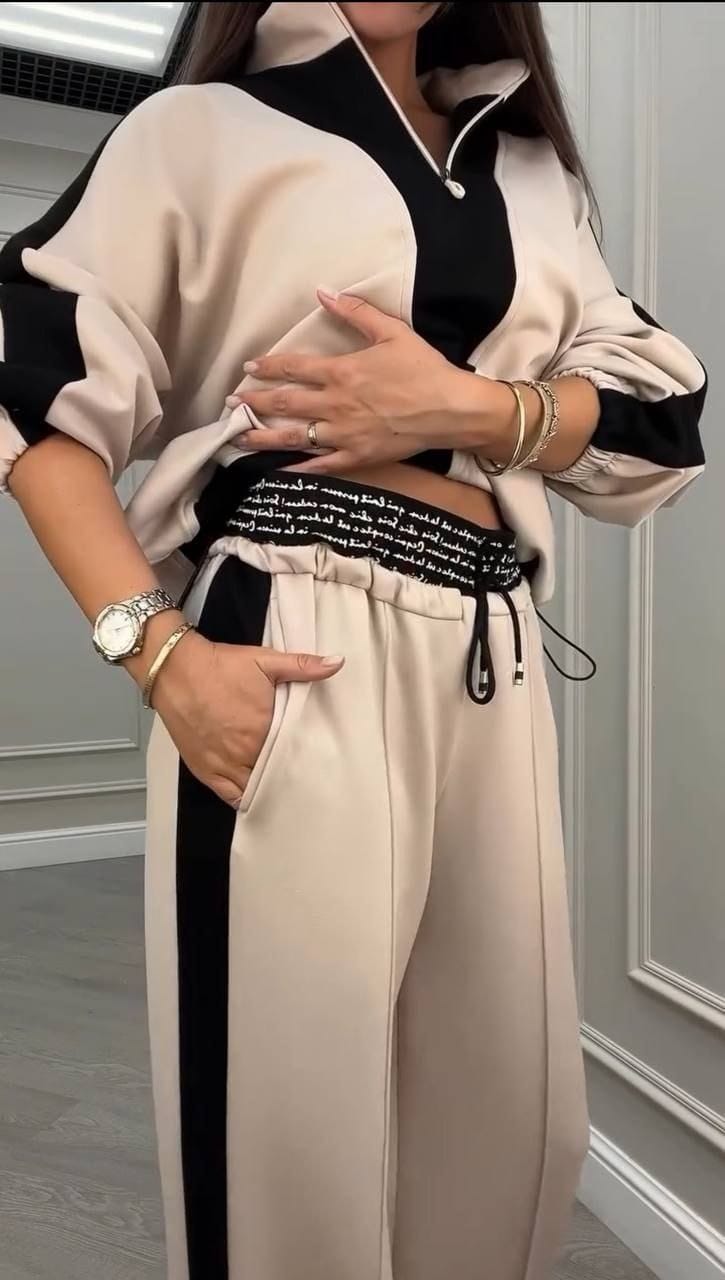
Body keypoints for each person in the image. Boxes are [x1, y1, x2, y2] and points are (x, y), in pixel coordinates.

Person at [0, 2, 706, 1278]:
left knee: (508, 1123)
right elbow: (28, 390)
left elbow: (658, 416)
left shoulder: (531, 171)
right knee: (287, 1132)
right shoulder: (199, 130)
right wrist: (156, 651)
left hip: (489, 646)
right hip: (291, 628)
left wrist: (471, 407)